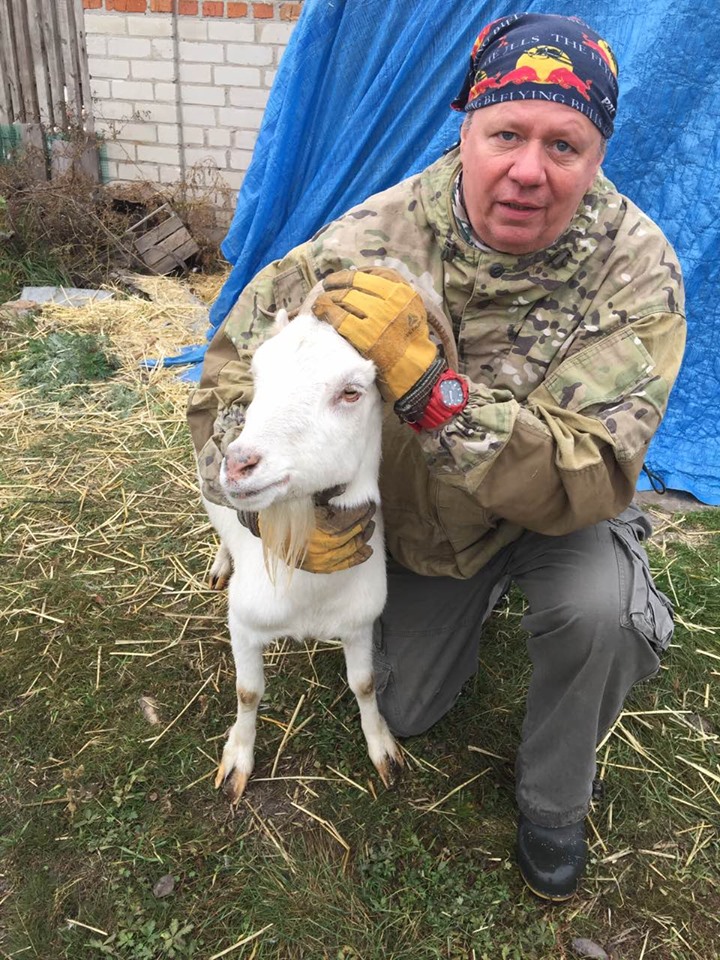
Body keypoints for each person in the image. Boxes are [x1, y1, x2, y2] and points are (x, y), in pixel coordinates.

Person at [187, 12, 686, 900]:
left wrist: (435, 396)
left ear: (597, 156)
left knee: (599, 614)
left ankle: (554, 800)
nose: (528, 170)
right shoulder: (366, 243)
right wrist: (271, 509)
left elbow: (596, 471)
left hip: (556, 515)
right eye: (507, 134)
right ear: (466, 129)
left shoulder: (636, 271)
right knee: (406, 707)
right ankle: (464, 603)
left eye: (564, 145)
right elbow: (231, 378)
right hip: (426, 527)